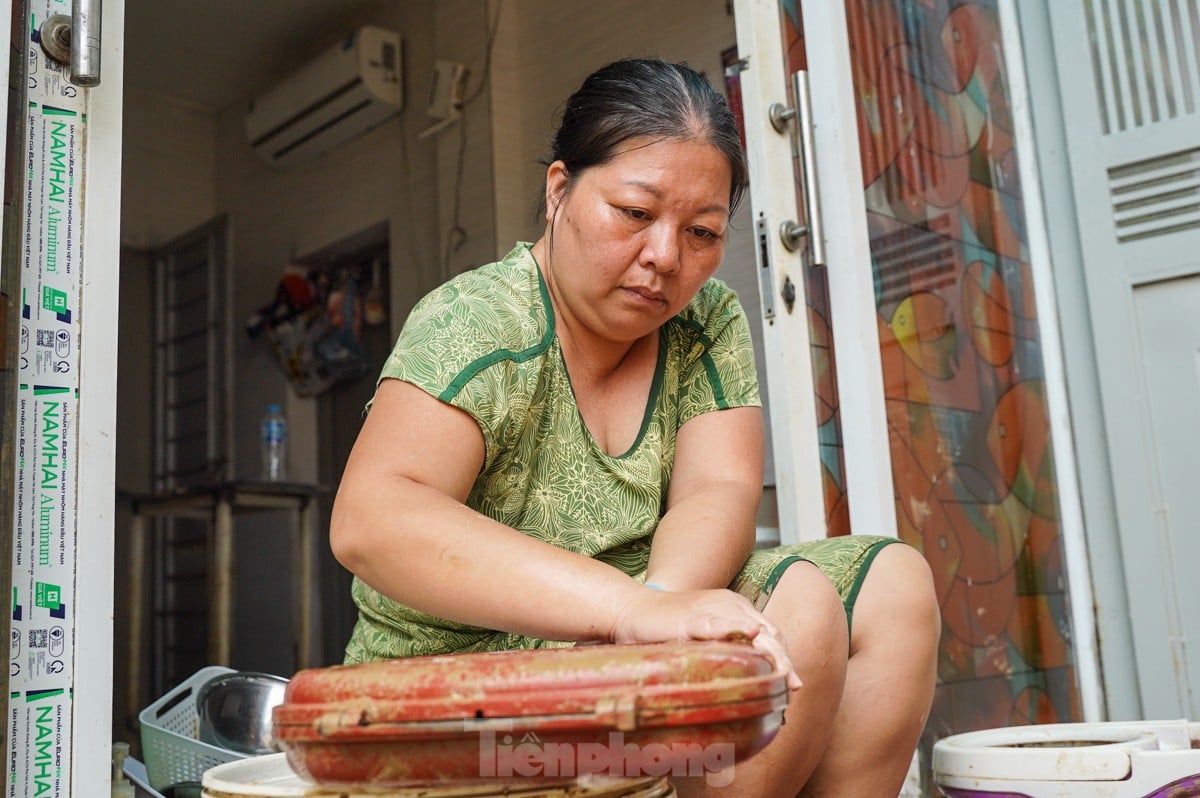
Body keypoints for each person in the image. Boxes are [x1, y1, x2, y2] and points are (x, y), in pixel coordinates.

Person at [330, 57, 940, 797]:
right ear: (559, 191)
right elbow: (371, 521)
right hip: (455, 686)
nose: (665, 258)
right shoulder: (483, 319)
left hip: (621, 640)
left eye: (702, 232)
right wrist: (631, 613)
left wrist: (664, 608)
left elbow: (717, 490)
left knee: (879, 588)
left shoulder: (705, 321)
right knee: (785, 621)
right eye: (635, 213)